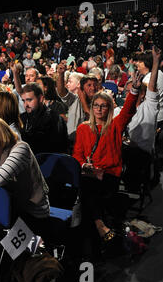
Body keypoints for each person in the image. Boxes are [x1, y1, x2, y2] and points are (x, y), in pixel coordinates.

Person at [72, 72, 141, 248]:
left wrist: (134, 89)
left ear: (109, 108)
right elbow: (77, 155)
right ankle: (99, 226)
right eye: (96, 105)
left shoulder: (115, 125)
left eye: (103, 106)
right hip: (90, 172)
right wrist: (84, 165)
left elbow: (128, 109)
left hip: (110, 173)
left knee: (87, 188)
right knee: (86, 184)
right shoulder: (83, 129)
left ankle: (96, 231)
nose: (99, 109)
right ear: (92, 107)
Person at [19, 83, 68, 154]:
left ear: (41, 98)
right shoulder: (22, 118)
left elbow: (55, 147)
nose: (26, 105)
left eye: (29, 100)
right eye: (23, 101)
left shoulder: (54, 119)